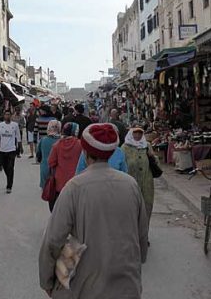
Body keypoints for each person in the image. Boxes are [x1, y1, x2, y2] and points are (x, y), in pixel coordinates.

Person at [39, 123, 148, 298]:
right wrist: (137, 261)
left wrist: (47, 280)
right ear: (112, 152)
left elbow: (53, 239)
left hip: (85, 287)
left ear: (85, 152)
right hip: (127, 285)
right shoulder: (131, 185)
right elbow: (142, 232)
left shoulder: (74, 187)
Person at [121, 126, 155, 231]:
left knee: (146, 209)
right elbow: (122, 165)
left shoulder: (147, 146)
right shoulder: (125, 148)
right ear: (131, 134)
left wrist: (152, 157)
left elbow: (155, 166)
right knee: (131, 210)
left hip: (146, 184)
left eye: (140, 133)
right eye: (135, 133)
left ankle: (144, 235)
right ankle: (132, 234)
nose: (138, 135)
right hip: (130, 185)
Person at [47, 122, 82, 212]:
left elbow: (51, 162)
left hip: (60, 183)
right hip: (76, 182)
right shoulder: (80, 145)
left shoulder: (57, 145)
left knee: (60, 209)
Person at [0, 110, 22, 194]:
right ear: (4, 116)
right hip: (2, 149)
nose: (7, 116)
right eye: (6, 114)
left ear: (11, 116)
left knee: (10, 167)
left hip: (12, 150)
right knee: (5, 167)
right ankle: (9, 178)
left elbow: (18, 137)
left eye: (9, 115)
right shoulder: (0, 125)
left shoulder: (15, 125)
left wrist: (20, 147)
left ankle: (9, 185)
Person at [37, 120, 61, 197]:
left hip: (45, 168)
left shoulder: (43, 140)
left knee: (47, 193)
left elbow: (38, 155)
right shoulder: (61, 141)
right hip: (58, 169)